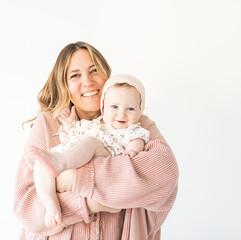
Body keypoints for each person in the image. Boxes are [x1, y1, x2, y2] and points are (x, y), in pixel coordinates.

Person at [14, 41, 179, 240]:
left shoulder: (135, 122)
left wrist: (72, 180)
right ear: (64, 84)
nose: (88, 81)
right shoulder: (49, 124)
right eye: (75, 75)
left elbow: (165, 173)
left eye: (94, 71)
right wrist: (92, 202)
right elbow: (25, 209)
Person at [30, 75, 150, 228]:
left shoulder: (134, 130)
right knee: (39, 165)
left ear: (140, 111)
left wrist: (132, 151)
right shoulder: (94, 125)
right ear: (103, 107)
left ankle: (59, 162)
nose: (122, 114)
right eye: (114, 107)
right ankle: (50, 204)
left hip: (107, 157)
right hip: (77, 159)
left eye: (130, 109)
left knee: (91, 142)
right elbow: (74, 139)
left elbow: (138, 141)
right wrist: (70, 124)